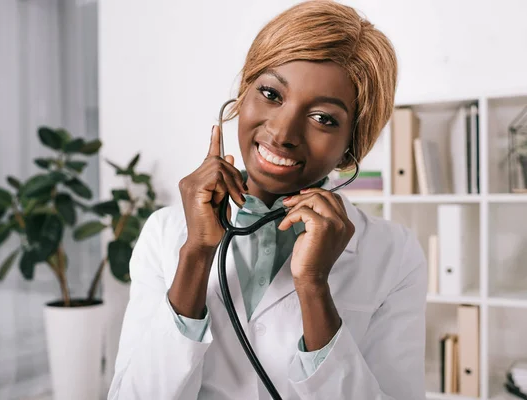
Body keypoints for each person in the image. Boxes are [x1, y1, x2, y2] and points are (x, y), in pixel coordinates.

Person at [107, 1, 427, 399]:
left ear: (350, 149)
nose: (282, 132)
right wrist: (195, 256)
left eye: (324, 118)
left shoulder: (396, 254)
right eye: (271, 93)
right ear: (243, 94)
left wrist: (313, 287)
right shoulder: (164, 233)